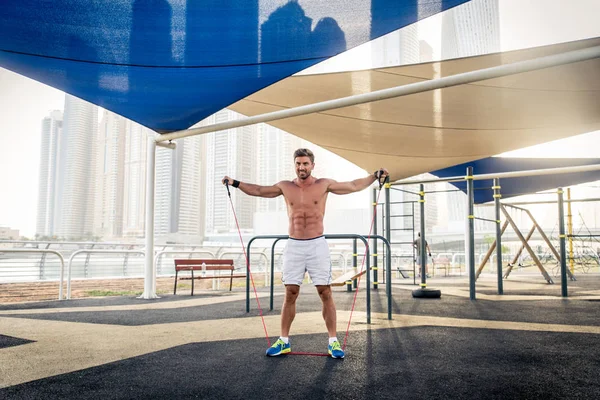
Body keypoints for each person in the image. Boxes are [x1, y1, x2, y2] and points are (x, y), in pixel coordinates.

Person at [222, 148, 388, 359]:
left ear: (312, 165)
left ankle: (333, 342)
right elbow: (259, 190)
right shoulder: (285, 186)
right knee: (290, 293)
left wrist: (374, 176)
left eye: (305, 164)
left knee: (325, 292)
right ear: (295, 165)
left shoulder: (323, 184)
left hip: (317, 244)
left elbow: (353, 185)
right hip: (294, 245)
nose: (301, 167)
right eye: (298, 163)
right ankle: (284, 341)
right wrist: (234, 182)